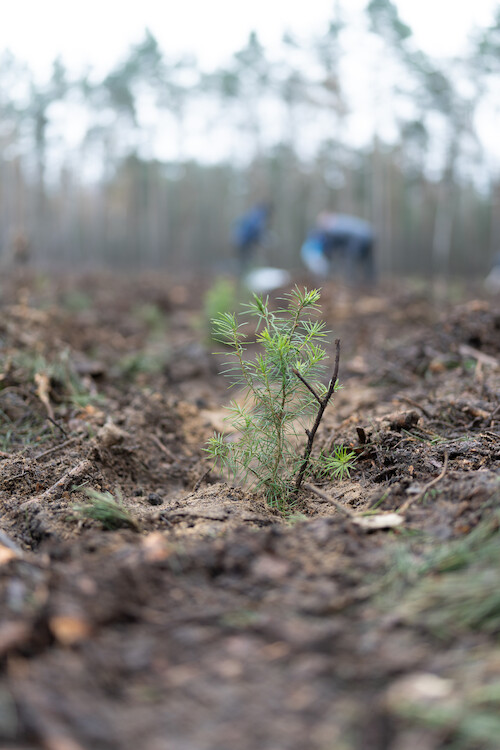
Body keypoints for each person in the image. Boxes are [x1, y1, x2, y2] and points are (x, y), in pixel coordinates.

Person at [301, 211, 375, 284]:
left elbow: (332, 246)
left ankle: (351, 282)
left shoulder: (332, 227)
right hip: (369, 235)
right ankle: (370, 282)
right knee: (366, 262)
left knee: (351, 260)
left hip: (357, 239)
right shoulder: (342, 221)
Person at [232, 202, 273, 275]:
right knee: (246, 261)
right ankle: (244, 276)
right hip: (245, 242)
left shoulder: (253, 213)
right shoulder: (258, 216)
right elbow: (255, 230)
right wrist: (263, 239)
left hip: (240, 241)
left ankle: (243, 276)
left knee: (244, 261)